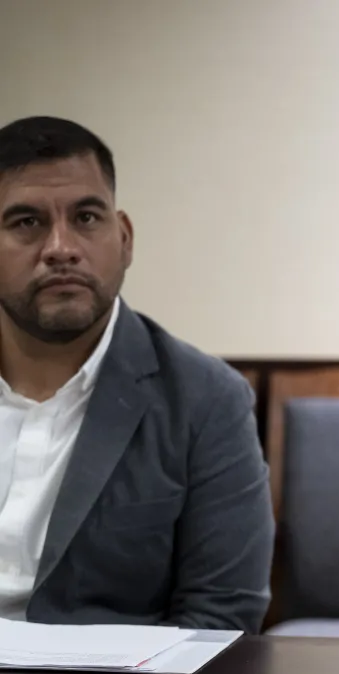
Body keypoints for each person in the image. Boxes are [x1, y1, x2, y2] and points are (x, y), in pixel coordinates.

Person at [0, 116, 274, 632]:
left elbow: (220, 617)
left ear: (123, 238)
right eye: (26, 223)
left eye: (85, 217)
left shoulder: (205, 400)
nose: (61, 247)